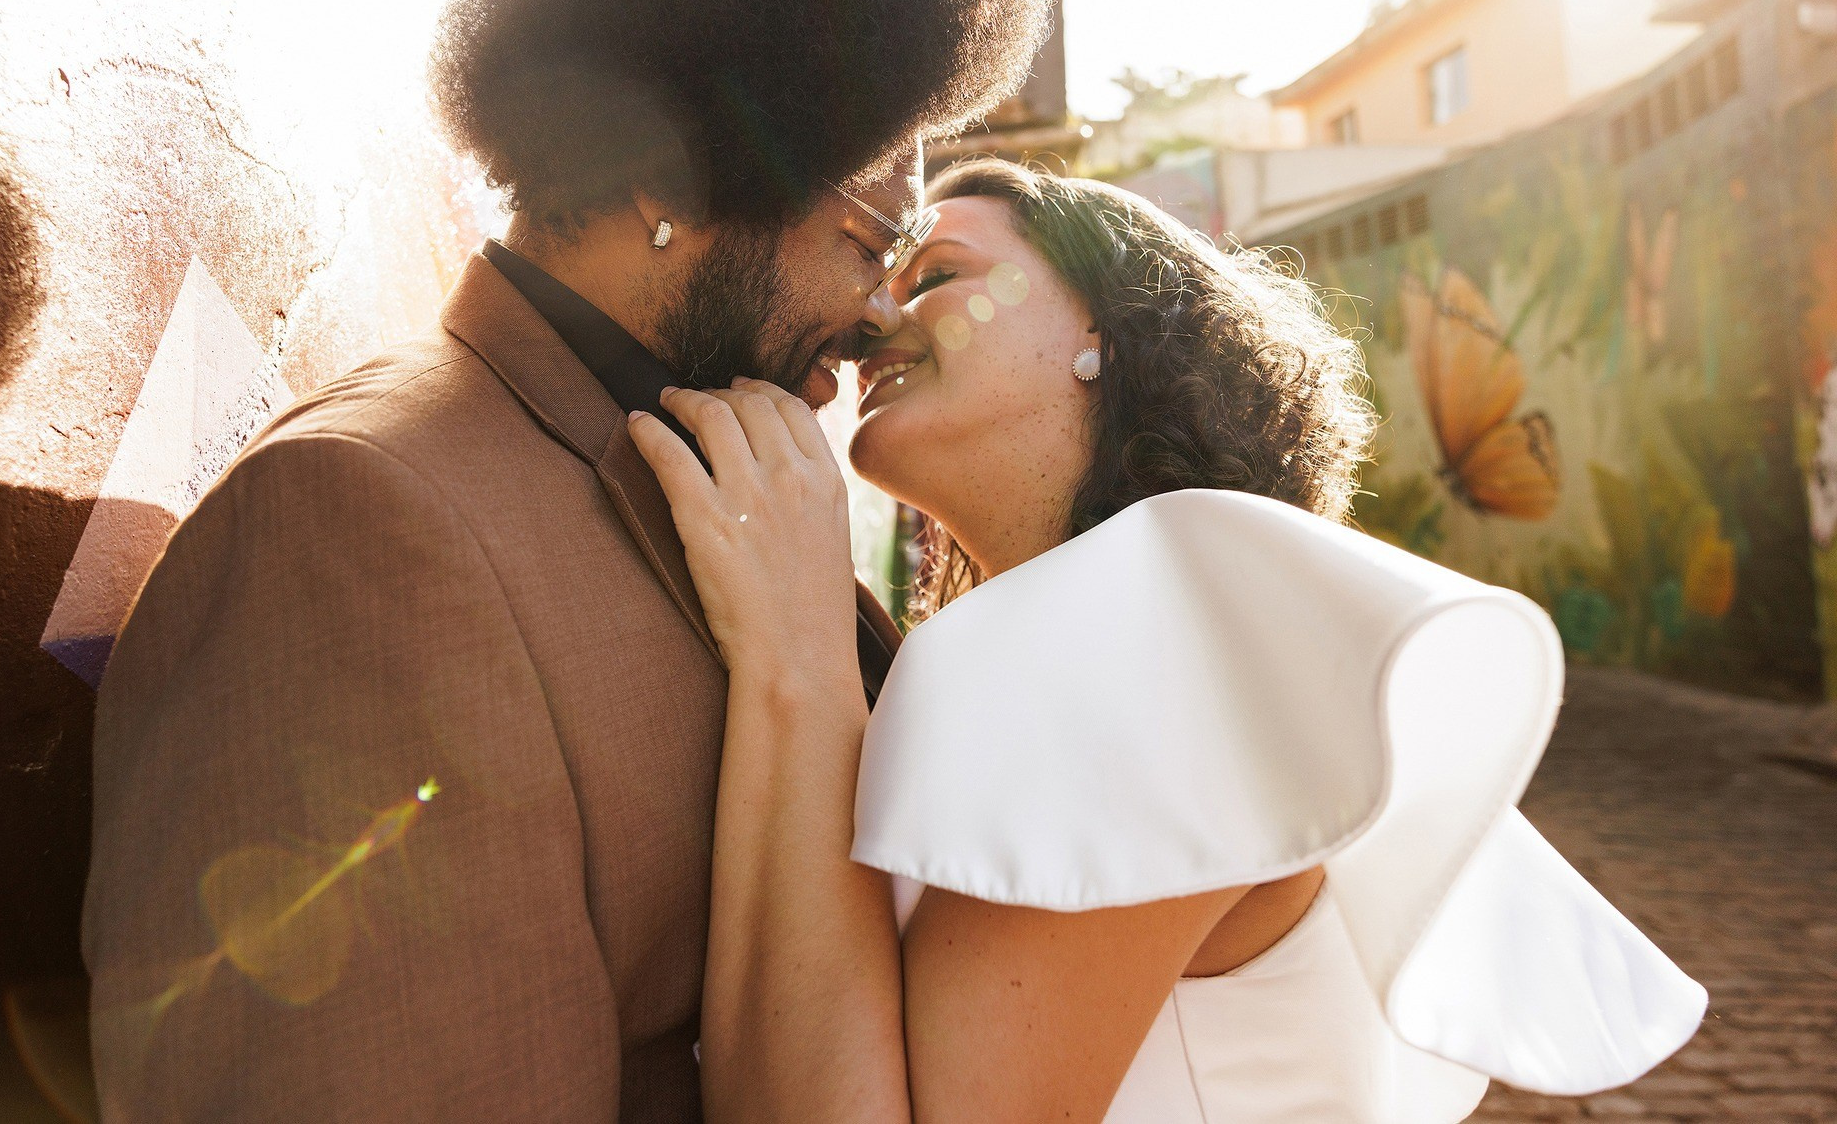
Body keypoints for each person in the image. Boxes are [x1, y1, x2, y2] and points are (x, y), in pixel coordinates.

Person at [82, 0, 1047, 1122]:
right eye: (872, 237)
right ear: (673, 179)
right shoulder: (358, 527)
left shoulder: (720, 463)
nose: (882, 308)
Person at [628, 159, 1708, 1122]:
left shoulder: (1153, 617)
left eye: (937, 276)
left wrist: (797, 653)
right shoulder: (1101, 625)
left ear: (1107, 329)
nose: (873, 317)